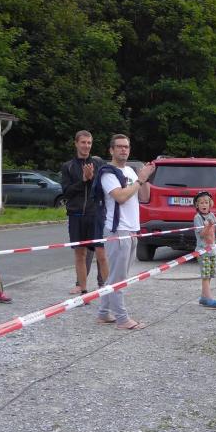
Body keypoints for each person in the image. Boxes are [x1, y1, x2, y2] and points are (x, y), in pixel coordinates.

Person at [95, 134, 155, 330]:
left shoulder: (130, 170)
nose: (123, 150)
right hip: (118, 230)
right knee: (119, 278)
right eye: (119, 146)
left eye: (126, 147)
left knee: (116, 276)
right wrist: (139, 180)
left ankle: (103, 313)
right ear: (111, 150)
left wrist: (145, 178)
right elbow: (120, 197)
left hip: (131, 229)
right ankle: (122, 319)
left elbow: (144, 197)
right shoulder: (107, 173)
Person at [60, 130, 107, 295]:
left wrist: (92, 178)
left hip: (95, 214)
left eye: (89, 143)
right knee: (80, 253)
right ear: (76, 143)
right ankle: (83, 288)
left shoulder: (99, 163)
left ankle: (104, 286)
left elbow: (103, 188)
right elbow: (66, 192)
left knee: (101, 252)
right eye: (83, 142)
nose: (86, 146)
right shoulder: (68, 166)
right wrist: (84, 180)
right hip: (76, 215)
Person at [193, 191, 216, 309]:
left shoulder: (211, 215)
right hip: (203, 252)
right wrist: (207, 226)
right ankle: (209, 299)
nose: (204, 204)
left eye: (206, 202)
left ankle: (203, 297)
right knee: (205, 276)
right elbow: (201, 234)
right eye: (201, 203)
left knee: (210, 274)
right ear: (197, 205)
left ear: (210, 204)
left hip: (212, 251)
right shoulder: (197, 217)